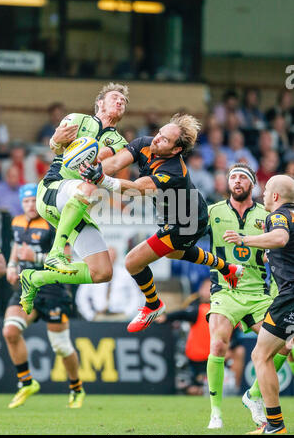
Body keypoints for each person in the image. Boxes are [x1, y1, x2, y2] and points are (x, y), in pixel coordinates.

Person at [79, 113, 243, 332]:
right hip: (172, 215)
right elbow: (117, 162)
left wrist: (102, 179)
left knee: (132, 262)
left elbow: (138, 189)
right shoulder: (146, 143)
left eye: (165, 139)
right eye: (160, 134)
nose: (157, 139)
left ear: (176, 150)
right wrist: (96, 170)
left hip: (187, 223)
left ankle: (153, 304)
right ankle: (227, 268)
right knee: (174, 253)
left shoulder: (174, 170)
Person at [19, 83, 129, 315]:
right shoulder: (77, 119)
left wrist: (102, 160)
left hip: (74, 205)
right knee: (88, 185)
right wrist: (55, 140)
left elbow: (109, 164)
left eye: (123, 101)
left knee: (102, 272)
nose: (120, 102)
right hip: (52, 189)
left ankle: (35, 277)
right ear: (99, 102)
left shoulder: (120, 142)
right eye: (114, 98)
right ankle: (56, 252)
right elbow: (56, 146)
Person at [205, 163, 289, 430]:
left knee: (284, 348)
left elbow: (278, 241)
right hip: (226, 290)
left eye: (243, 177)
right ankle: (215, 413)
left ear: (254, 185)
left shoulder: (268, 214)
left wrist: (261, 248)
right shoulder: (212, 212)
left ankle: (253, 396)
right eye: (233, 177)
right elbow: (185, 235)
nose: (237, 180)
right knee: (218, 343)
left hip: (258, 293)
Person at [3, 184, 85, 409]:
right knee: (10, 330)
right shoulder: (16, 222)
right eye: (26, 201)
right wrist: (11, 266)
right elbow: (16, 247)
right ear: (22, 203)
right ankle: (26, 382)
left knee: (61, 346)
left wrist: (37, 256)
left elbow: (66, 258)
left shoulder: (53, 222)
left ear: (39, 201)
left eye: (33, 200)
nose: (30, 205)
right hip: (27, 284)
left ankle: (76, 387)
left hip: (52, 288)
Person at [157, 278, 211, 396]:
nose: (207, 292)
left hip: (213, 355)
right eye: (205, 288)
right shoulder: (195, 304)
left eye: (210, 289)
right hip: (195, 354)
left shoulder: (219, 307)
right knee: (193, 388)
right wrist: (166, 317)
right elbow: (184, 313)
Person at [75, 247, 144, 321]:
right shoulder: (93, 273)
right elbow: (81, 297)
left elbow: (136, 295)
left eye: (112, 255)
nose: (110, 258)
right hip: (99, 317)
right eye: (107, 256)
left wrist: (128, 314)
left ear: (116, 257)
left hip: (120, 317)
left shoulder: (126, 274)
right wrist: (90, 315)